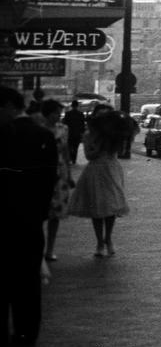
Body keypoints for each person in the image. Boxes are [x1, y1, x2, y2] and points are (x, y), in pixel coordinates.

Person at [2, 86, 60, 346]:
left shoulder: (4, 134)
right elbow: (49, 181)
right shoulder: (43, 135)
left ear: (8, 107)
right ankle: (27, 330)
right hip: (30, 220)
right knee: (27, 280)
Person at [68, 107, 131, 258]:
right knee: (96, 206)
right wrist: (100, 146)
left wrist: (118, 141)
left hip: (111, 169)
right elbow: (89, 156)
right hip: (96, 170)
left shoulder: (114, 135)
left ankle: (108, 238)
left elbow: (120, 153)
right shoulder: (89, 135)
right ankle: (99, 242)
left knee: (111, 206)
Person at [39, 100, 74, 263]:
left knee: (56, 214)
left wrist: (69, 173)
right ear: (47, 113)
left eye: (59, 113)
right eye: (55, 113)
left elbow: (66, 151)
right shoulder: (38, 129)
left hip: (60, 173)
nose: (58, 116)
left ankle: (50, 249)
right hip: (42, 171)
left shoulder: (63, 129)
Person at [63, 100, 86, 164]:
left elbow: (65, 123)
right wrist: (82, 133)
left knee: (70, 146)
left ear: (72, 106)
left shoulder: (67, 114)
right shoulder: (81, 114)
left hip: (70, 133)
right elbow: (82, 125)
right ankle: (74, 160)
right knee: (76, 147)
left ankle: (70, 157)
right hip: (77, 133)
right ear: (77, 106)